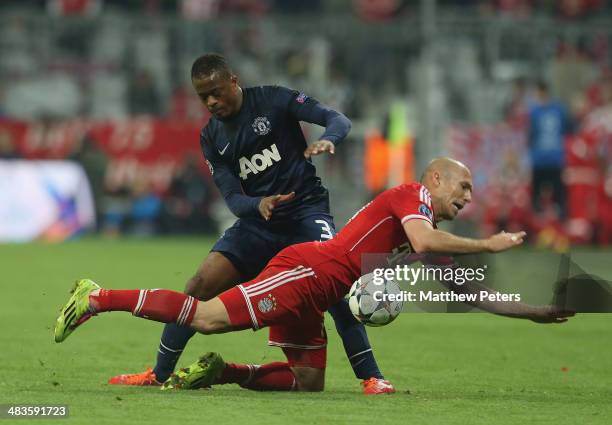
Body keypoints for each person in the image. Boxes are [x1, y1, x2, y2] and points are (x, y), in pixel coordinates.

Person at [55, 158, 574, 392]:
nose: (466, 198)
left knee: (308, 383)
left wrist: (537, 313)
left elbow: (471, 293)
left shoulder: (428, 228)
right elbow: (421, 240)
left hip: (323, 286)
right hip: (309, 270)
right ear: (434, 179)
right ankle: (98, 296)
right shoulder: (411, 198)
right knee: (208, 317)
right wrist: (488, 242)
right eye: (461, 188)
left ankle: (223, 373)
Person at [107, 53, 393, 395]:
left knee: (337, 290)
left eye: (216, 91)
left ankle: (372, 377)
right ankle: (159, 372)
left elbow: (336, 118)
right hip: (260, 222)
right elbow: (232, 199)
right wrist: (257, 204)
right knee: (199, 284)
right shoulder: (211, 137)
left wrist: (329, 138)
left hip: (306, 214)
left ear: (234, 81)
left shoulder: (274, 99)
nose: (211, 101)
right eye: (203, 96)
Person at [528, 80, 572, 218]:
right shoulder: (559, 109)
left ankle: (542, 227)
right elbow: (567, 130)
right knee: (558, 197)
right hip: (554, 158)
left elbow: (531, 135)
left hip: (543, 158)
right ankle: (557, 225)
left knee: (539, 198)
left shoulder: (534, 112)